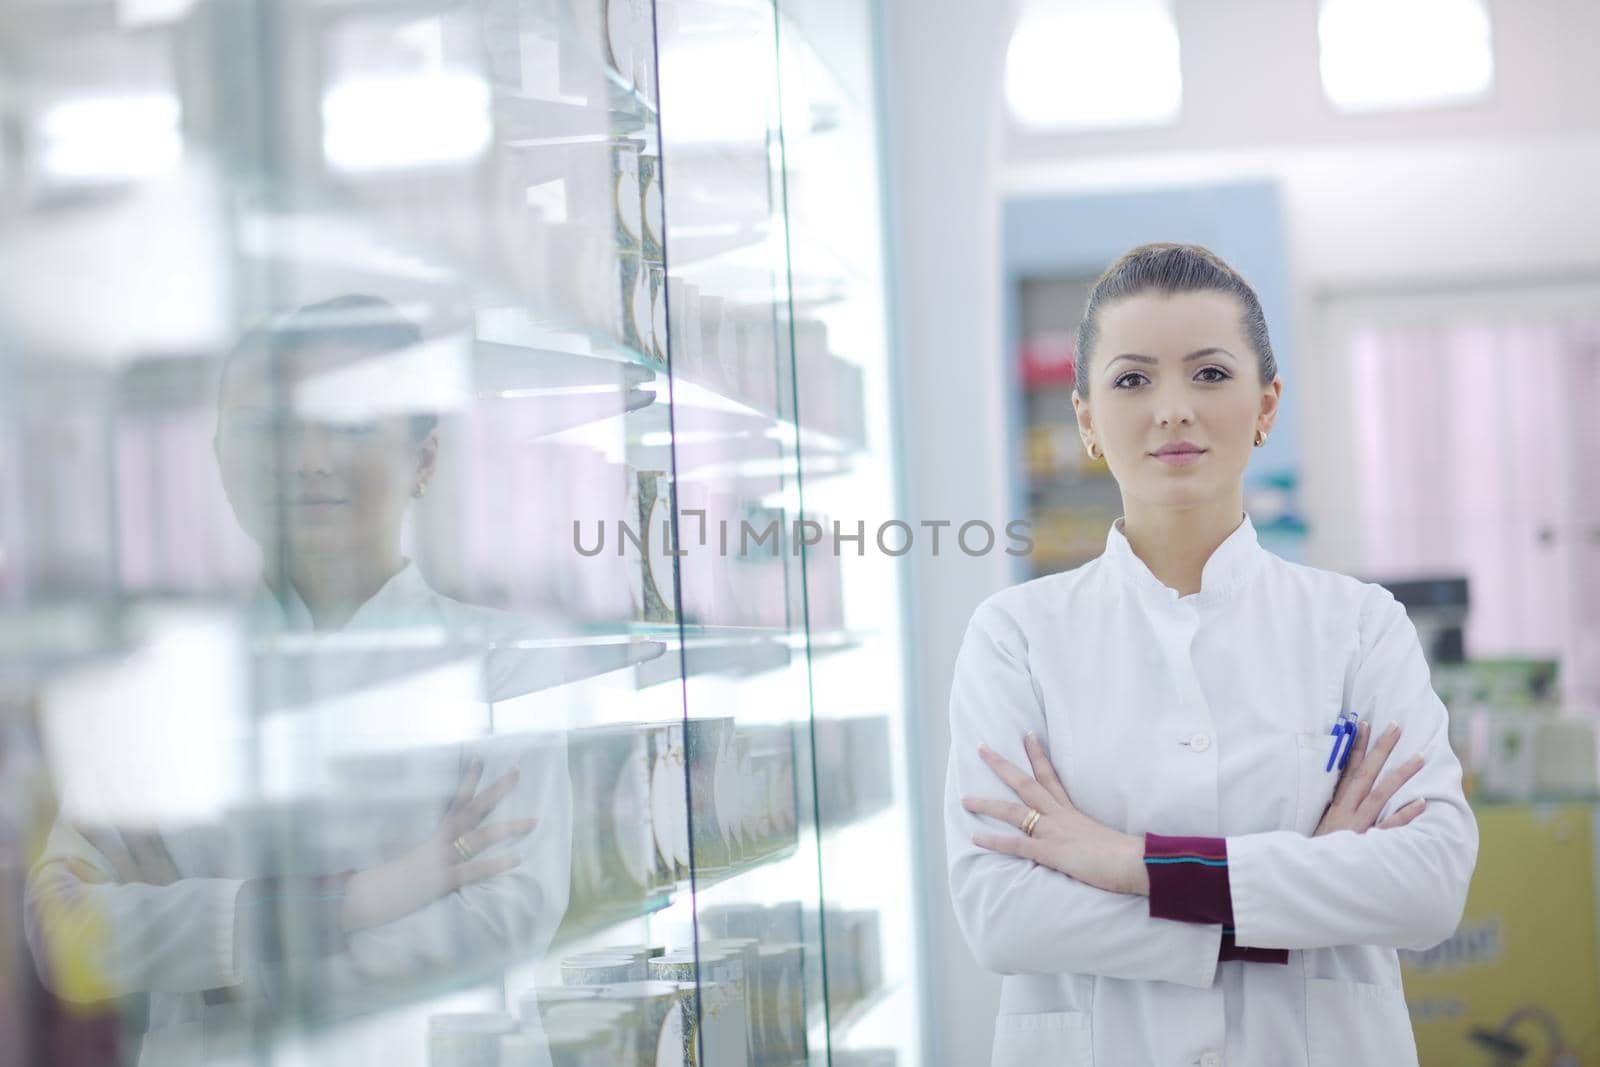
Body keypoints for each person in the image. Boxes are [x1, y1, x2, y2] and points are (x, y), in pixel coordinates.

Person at [944, 244, 1478, 1067]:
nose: (1172, 409)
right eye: (1131, 379)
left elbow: (1429, 883)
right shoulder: (1015, 635)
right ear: (1086, 418)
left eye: (1210, 373)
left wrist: (1124, 862)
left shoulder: (1361, 625)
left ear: (1267, 406)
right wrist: (1292, 900)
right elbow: (1002, 911)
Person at [25, 295, 573, 1065]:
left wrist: (225, 968)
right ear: (221, 456)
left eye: (349, 424)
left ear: (424, 457)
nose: (308, 458)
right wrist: (362, 902)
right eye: (268, 428)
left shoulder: (506, 656)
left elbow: (502, 917)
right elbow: (64, 927)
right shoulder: (155, 677)